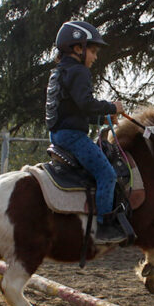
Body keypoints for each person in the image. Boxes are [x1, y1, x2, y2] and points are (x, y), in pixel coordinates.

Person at [45, 21, 126, 244]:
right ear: (78, 48)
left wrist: (105, 118)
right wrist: (112, 107)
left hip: (58, 135)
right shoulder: (79, 71)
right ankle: (103, 227)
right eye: (92, 50)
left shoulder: (60, 72)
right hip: (73, 137)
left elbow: (75, 110)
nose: (95, 56)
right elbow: (87, 104)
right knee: (107, 174)